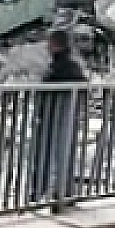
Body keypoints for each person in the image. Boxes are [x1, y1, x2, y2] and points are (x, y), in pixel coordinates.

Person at [31, 28, 87, 203]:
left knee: (46, 155)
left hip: (54, 117)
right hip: (62, 118)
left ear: (55, 45)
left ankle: (41, 191)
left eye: (49, 43)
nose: (47, 46)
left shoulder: (60, 68)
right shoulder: (71, 66)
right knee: (64, 154)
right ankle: (62, 190)